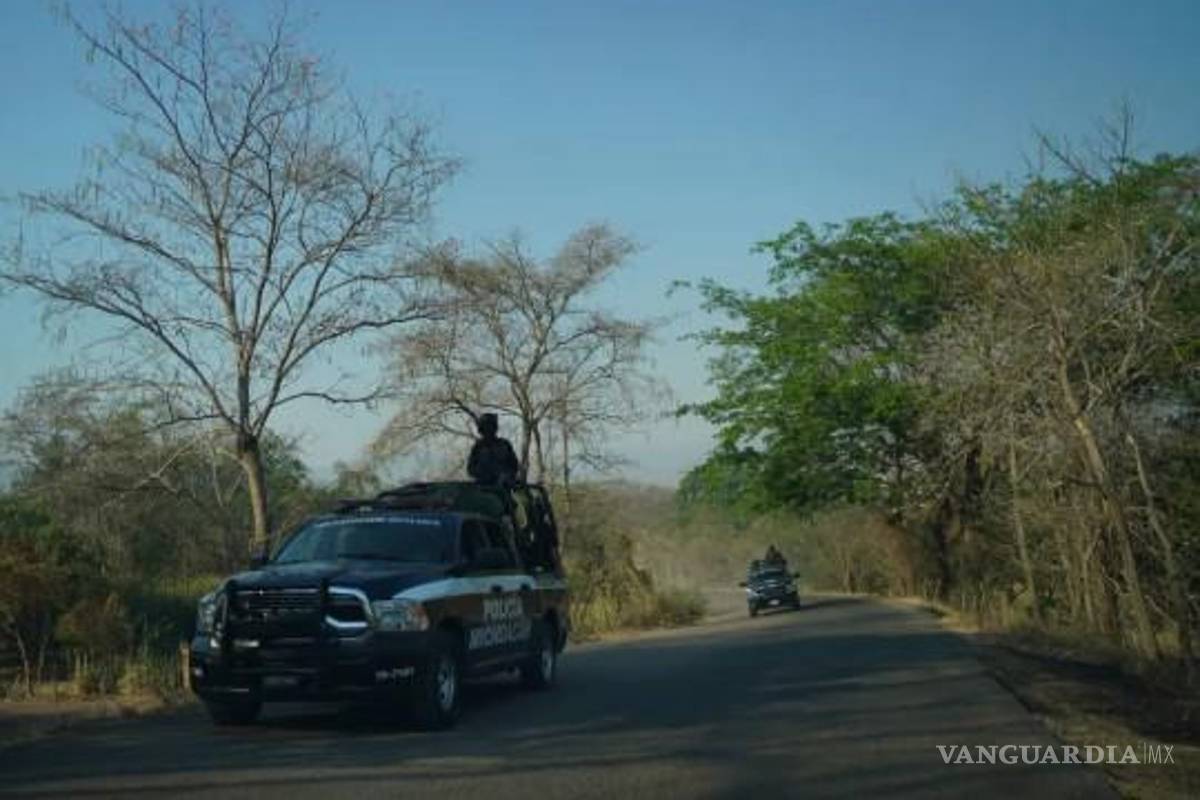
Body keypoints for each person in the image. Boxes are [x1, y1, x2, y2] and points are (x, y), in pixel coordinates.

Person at [467, 413, 520, 486]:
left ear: (494, 428)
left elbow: (514, 466)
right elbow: (471, 469)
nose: (488, 430)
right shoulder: (478, 447)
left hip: (503, 487)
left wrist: (506, 475)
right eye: (486, 427)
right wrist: (485, 474)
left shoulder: (504, 445)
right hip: (483, 487)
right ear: (482, 429)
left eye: (490, 427)